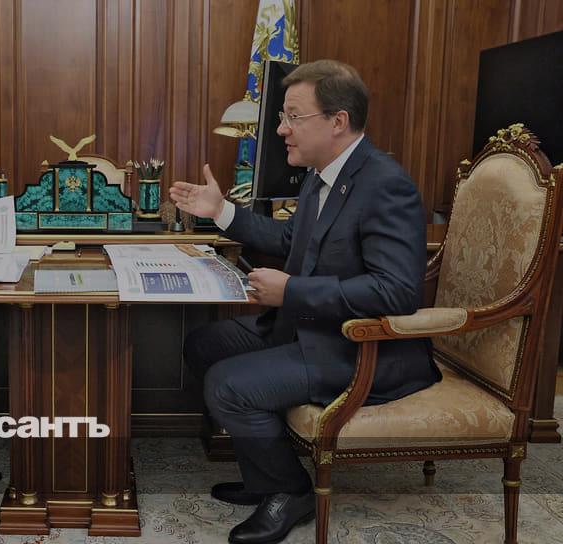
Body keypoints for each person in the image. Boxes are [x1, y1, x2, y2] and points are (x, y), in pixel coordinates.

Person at [170, 60, 441, 544]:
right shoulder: (321, 174)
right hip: (309, 327)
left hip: (359, 348)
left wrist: (292, 291)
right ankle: (265, 476)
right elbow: (289, 238)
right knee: (203, 344)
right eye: (283, 117)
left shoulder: (385, 184)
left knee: (227, 385)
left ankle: (290, 491)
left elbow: (398, 292)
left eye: (293, 117)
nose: (281, 129)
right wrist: (221, 211)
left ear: (338, 121)